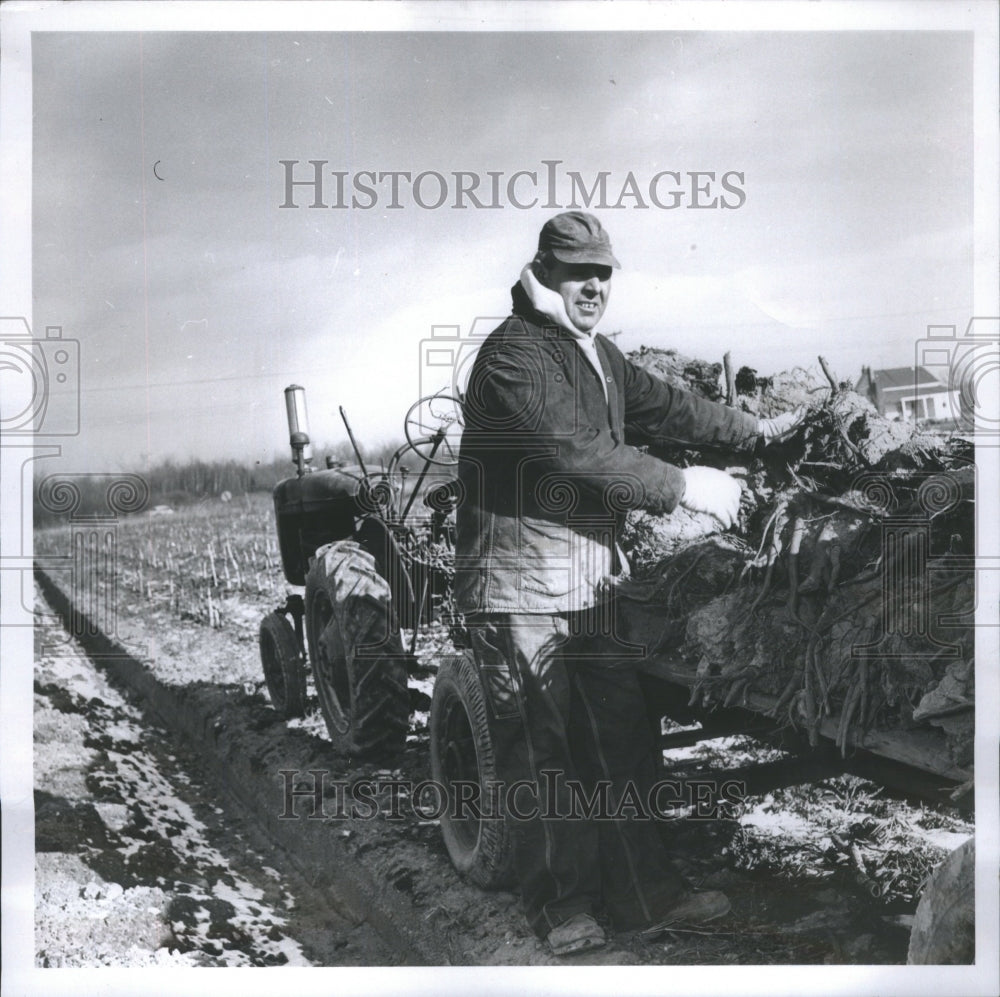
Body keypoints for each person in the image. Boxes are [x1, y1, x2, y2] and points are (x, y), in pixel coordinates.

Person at [454, 211, 801, 956]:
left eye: (604, 273)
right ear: (544, 272)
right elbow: (577, 455)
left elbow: (668, 404)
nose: (594, 286)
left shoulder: (595, 354)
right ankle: (561, 904)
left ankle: (645, 894)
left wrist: (758, 433)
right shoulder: (514, 357)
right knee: (542, 746)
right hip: (520, 584)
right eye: (581, 272)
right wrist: (688, 486)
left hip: (590, 585)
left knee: (622, 735)